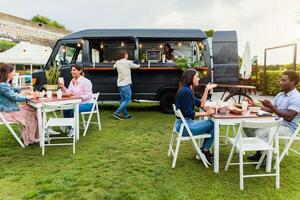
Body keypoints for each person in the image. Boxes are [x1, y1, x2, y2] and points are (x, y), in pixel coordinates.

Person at [245, 70, 300, 161]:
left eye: (283, 81)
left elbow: (289, 117)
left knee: (260, 132)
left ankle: (265, 158)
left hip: (288, 128)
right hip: (275, 123)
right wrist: (254, 105)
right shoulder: (281, 95)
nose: (280, 83)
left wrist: (271, 106)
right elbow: (271, 110)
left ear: (292, 82)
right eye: (280, 80)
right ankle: (261, 152)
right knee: (248, 126)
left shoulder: (297, 97)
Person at [175, 69, 217, 165]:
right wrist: (207, 113)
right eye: (197, 76)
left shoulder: (187, 89)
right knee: (214, 124)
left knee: (213, 124)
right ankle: (205, 150)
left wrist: (207, 89)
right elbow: (189, 113)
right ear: (190, 78)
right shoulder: (186, 91)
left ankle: (204, 149)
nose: (199, 79)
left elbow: (201, 104)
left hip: (184, 124)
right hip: (185, 127)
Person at [0, 64, 39, 146]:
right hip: (7, 113)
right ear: (8, 73)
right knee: (31, 113)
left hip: (11, 109)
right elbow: (14, 97)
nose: (14, 73)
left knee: (34, 109)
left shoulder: (5, 84)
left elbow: (13, 90)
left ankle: (35, 134)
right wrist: (29, 96)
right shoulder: (2, 85)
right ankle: (30, 137)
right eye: (13, 72)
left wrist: (25, 88)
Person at [113, 50, 140, 120]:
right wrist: (139, 63)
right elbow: (137, 66)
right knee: (128, 99)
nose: (127, 55)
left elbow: (114, 67)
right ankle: (117, 113)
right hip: (126, 84)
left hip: (119, 84)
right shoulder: (128, 63)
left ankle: (126, 115)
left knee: (123, 100)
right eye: (127, 54)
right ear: (125, 55)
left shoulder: (118, 62)